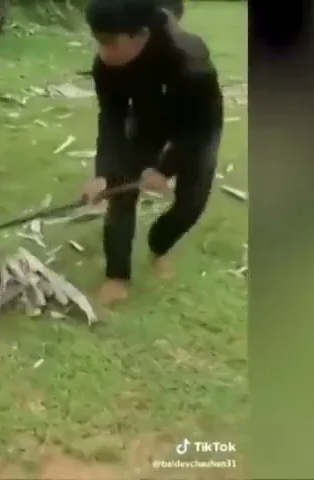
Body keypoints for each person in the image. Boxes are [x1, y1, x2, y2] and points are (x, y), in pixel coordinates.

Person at [80, 0, 224, 306]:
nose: (103, 52)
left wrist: (164, 168)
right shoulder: (106, 65)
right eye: (98, 41)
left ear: (141, 35)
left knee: (191, 202)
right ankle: (117, 275)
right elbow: (112, 118)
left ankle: (159, 244)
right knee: (119, 194)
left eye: (109, 42)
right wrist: (103, 173)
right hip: (148, 121)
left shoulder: (189, 58)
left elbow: (202, 124)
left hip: (198, 127)